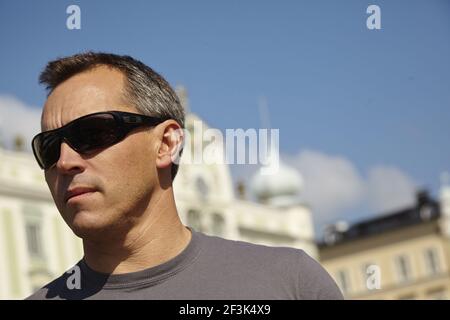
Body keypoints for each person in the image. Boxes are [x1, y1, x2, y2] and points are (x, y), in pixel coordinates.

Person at [27, 52, 343, 300]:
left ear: (166, 144)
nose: (65, 162)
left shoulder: (290, 282)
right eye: (49, 148)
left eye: (92, 133)